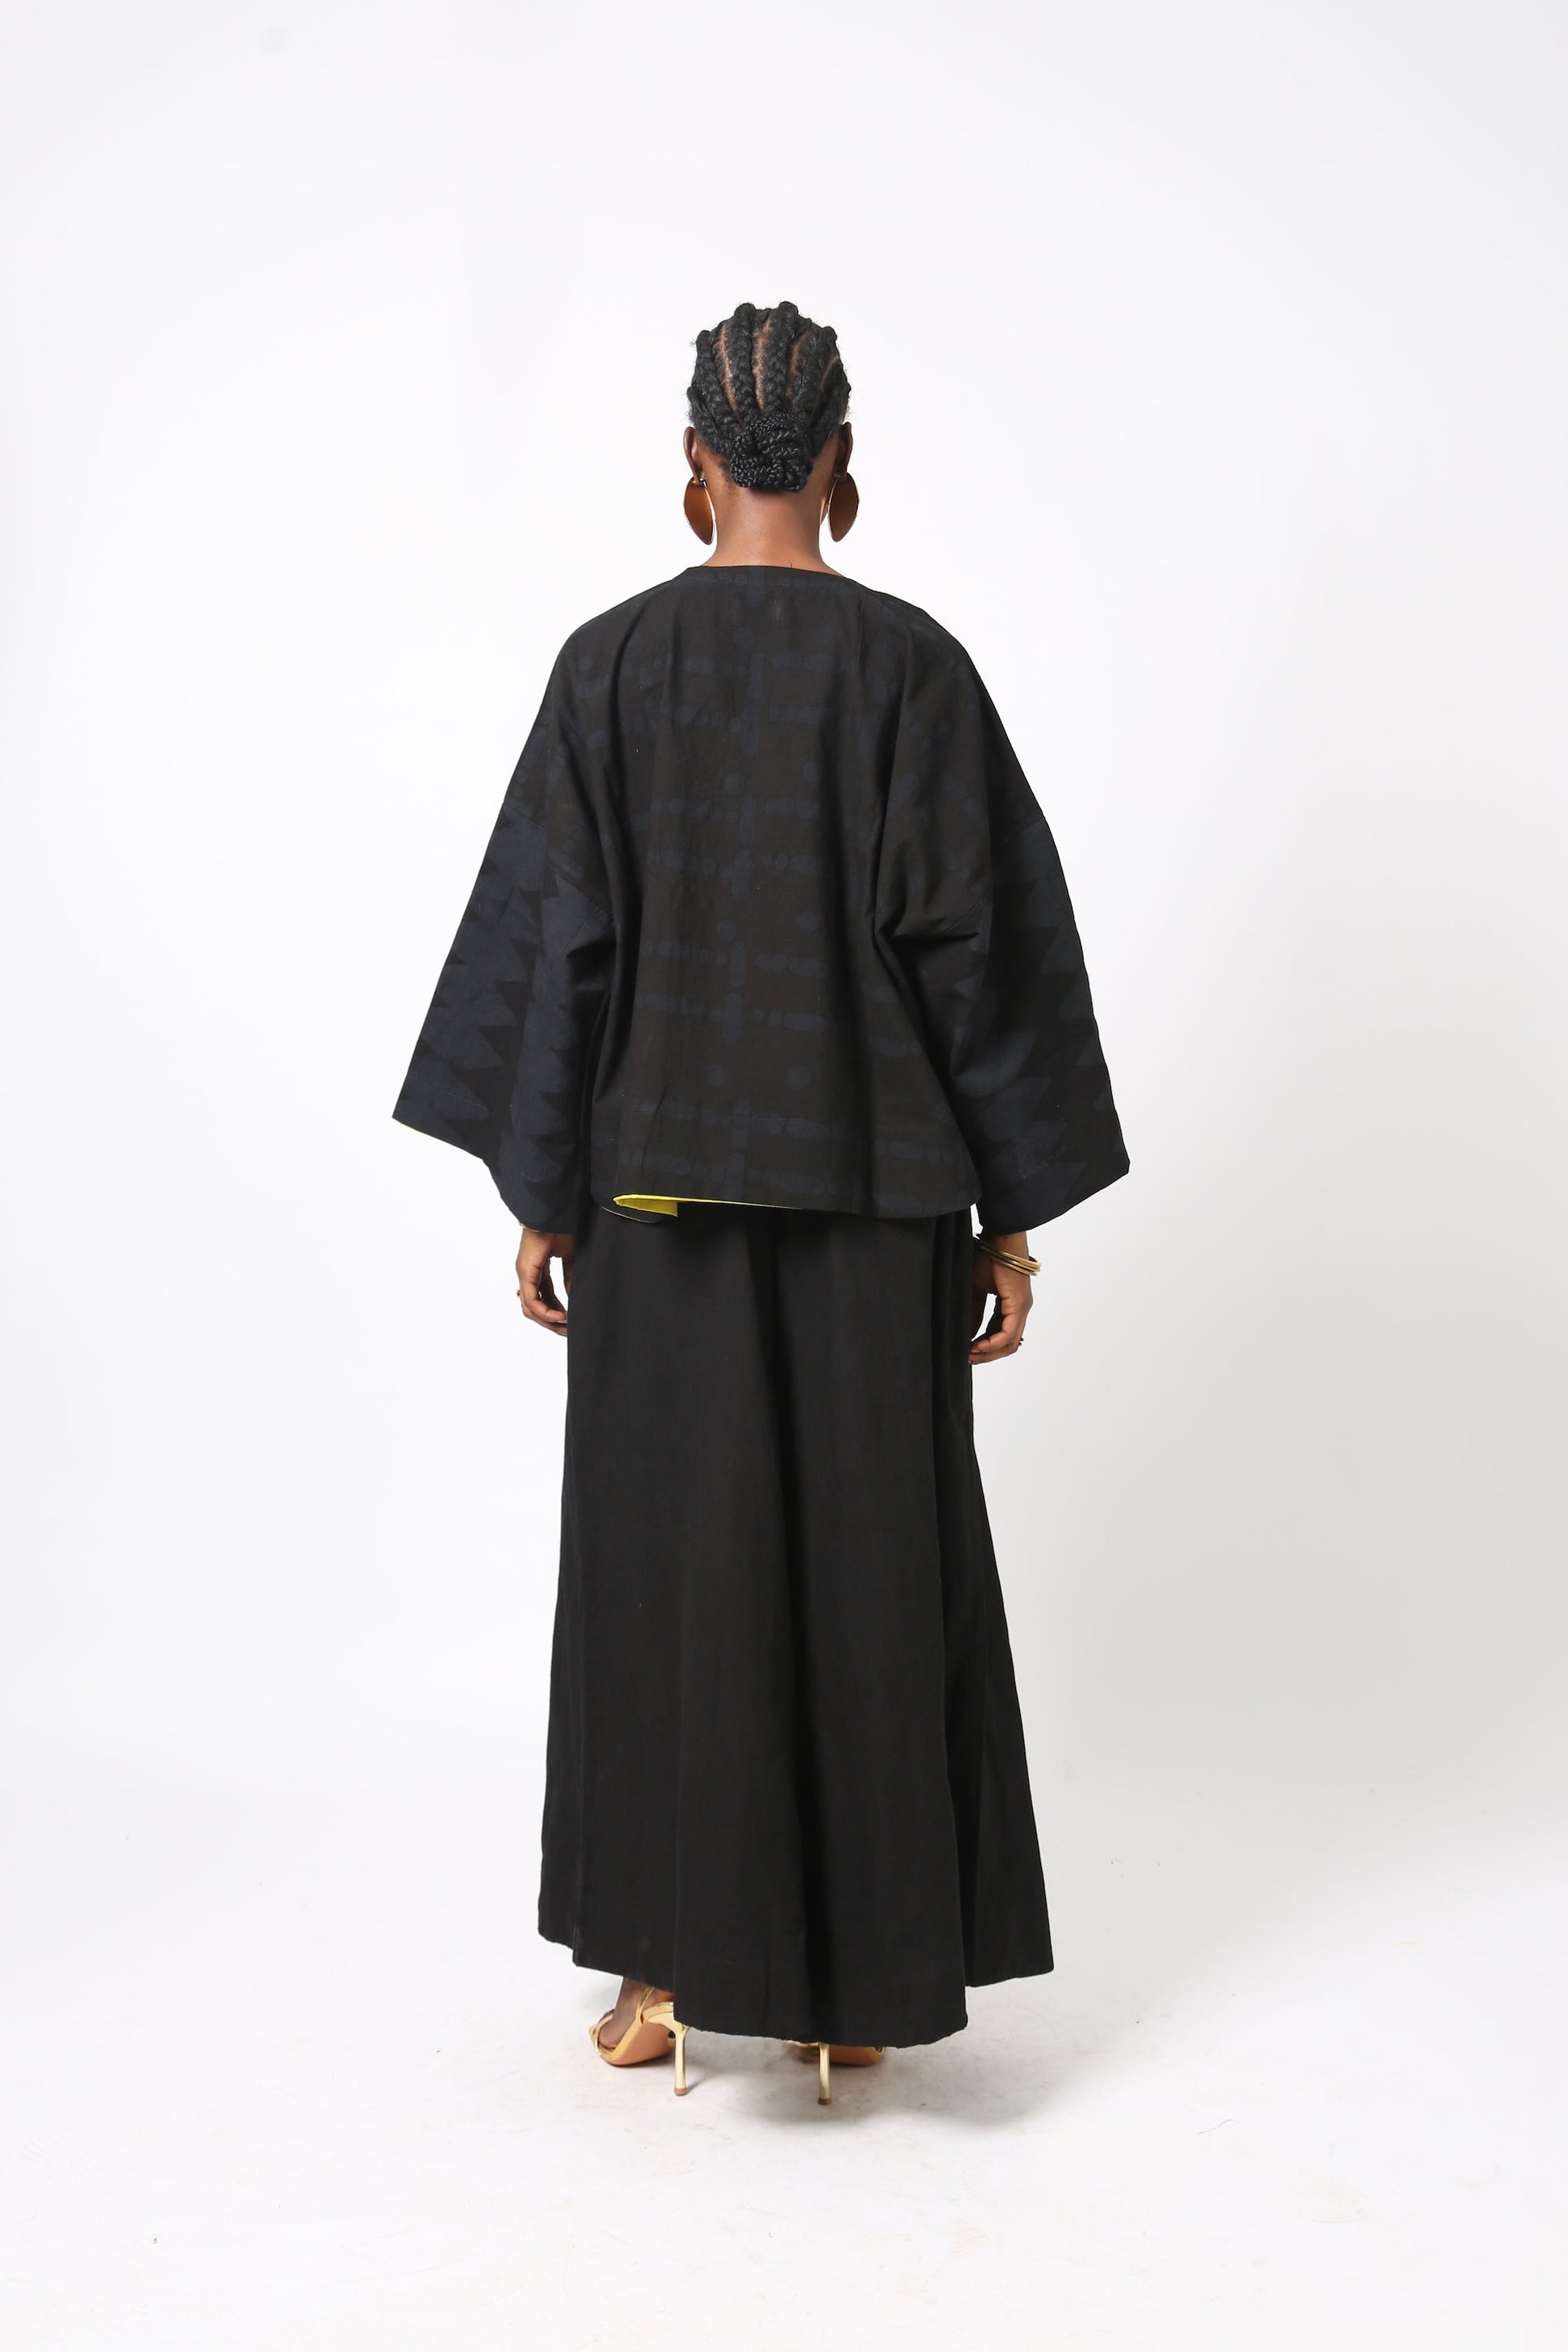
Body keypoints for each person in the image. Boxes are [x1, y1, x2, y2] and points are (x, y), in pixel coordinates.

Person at [393, 301, 1128, 2105]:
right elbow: (976, 957)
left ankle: (657, 1975)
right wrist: (1007, 1213)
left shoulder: (610, 667)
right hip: (877, 1200)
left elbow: (561, 943)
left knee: (660, 1574)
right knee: (876, 1572)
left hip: (651, 1203)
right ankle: (851, 1996)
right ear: (845, 467)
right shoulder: (912, 670)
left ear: (695, 466)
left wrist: (544, 1189)